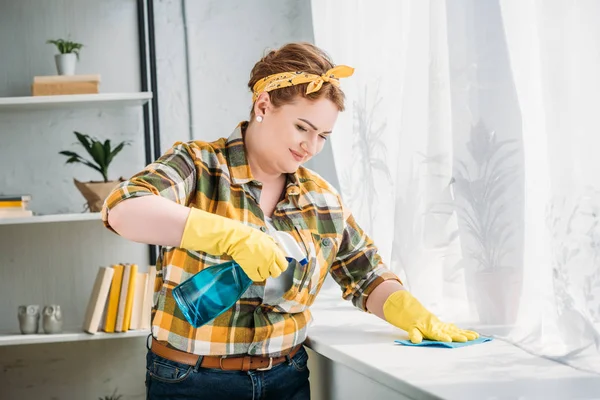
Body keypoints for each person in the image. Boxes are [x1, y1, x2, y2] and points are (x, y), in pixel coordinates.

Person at [102, 42, 478, 400]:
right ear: (263, 105)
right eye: (302, 128)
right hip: (190, 381)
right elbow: (123, 209)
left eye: (323, 137)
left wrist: (411, 311)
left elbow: (365, 274)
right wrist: (230, 236)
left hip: (287, 380)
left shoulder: (322, 199)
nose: (310, 147)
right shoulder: (199, 166)